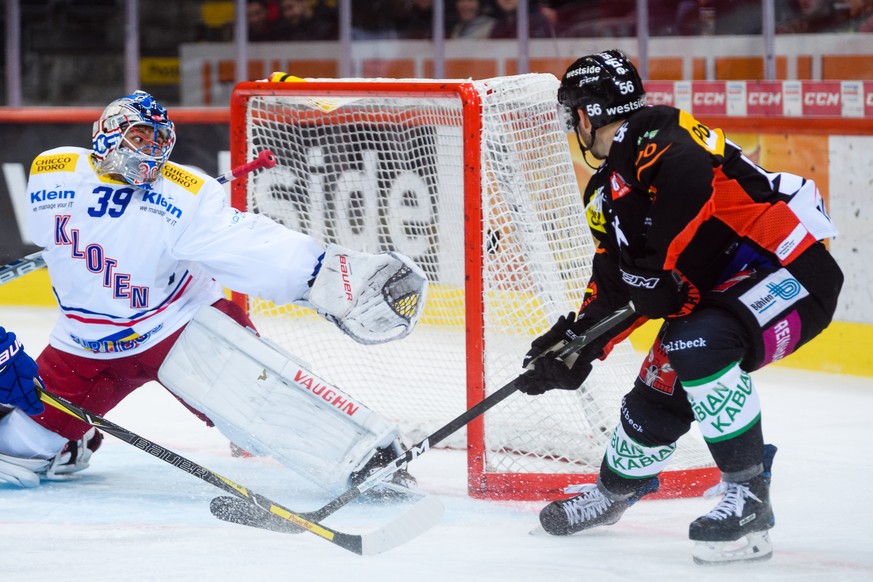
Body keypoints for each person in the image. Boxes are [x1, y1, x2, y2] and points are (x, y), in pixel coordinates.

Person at [0, 90, 427, 497]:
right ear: (108, 132)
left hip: (179, 327)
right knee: (13, 453)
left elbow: (247, 244)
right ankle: (71, 441)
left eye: (159, 139)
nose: (150, 148)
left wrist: (326, 274)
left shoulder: (184, 195)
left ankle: (371, 459)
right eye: (139, 136)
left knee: (267, 410)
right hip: (82, 344)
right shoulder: (52, 171)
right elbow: (43, 231)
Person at [517, 50, 842, 564]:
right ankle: (615, 491)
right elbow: (614, 283)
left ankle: (749, 493)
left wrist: (654, 267)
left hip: (790, 272)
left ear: (584, 114)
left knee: (697, 343)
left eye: (570, 116)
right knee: (659, 388)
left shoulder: (657, 131)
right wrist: (579, 344)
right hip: (724, 295)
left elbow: (688, 181)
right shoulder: (607, 194)